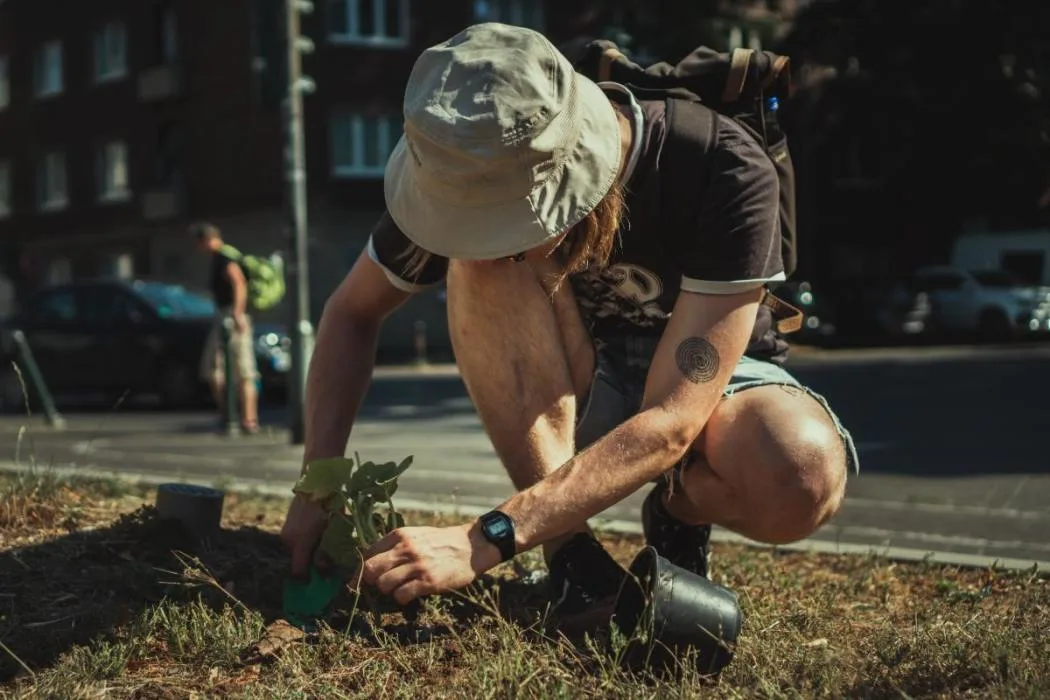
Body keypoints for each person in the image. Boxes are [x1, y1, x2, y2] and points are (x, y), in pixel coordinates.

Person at [280, 23, 859, 633]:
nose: (492, 234)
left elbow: (671, 419)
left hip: (711, 380)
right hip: (578, 371)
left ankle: (678, 510)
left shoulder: (721, 166)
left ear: (573, 163)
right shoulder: (462, 168)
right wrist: (316, 488)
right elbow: (351, 312)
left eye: (508, 217)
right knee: (478, 265)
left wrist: (483, 540)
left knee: (801, 474)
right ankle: (571, 559)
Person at [190, 222, 260, 434]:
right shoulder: (220, 257)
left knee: (243, 370)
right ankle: (230, 415)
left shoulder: (224, 257)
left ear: (205, 240)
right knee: (216, 370)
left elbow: (239, 283)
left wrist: (237, 313)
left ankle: (247, 420)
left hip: (232, 316)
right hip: (226, 316)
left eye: (198, 243)